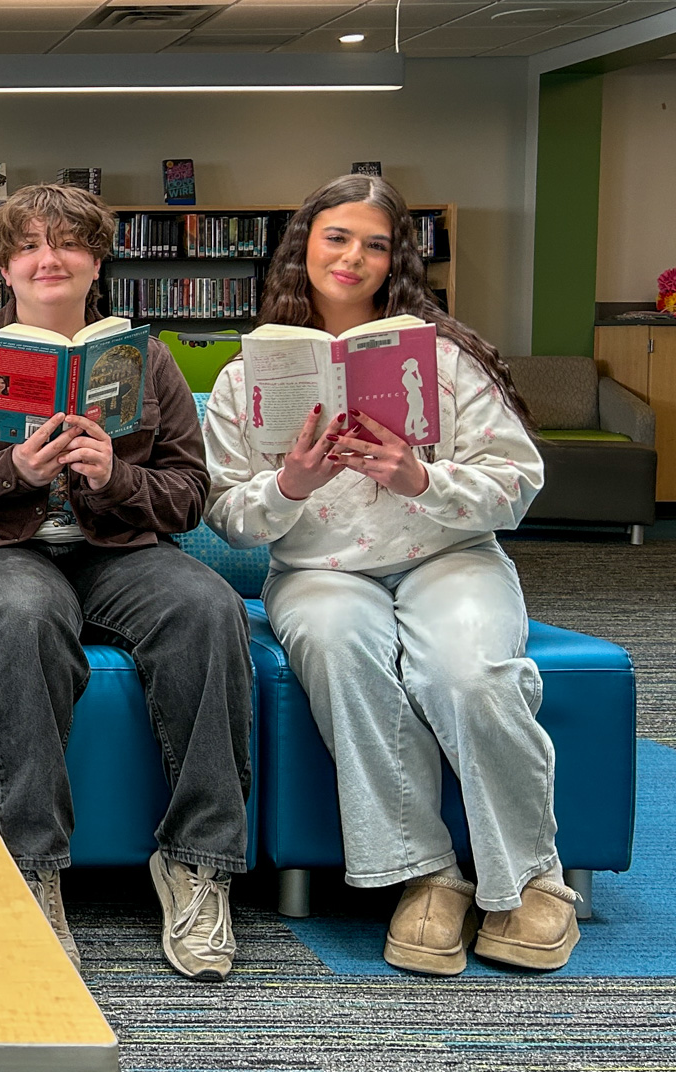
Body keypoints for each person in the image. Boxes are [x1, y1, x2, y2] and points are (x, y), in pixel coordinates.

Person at [0, 183, 253, 981]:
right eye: (29, 246)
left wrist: (116, 476)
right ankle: (31, 869)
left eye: (68, 244)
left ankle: (198, 863)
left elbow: (188, 494)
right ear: (5, 265)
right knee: (26, 607)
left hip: (115, 549)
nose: (49, 259)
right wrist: (7, 468)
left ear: (96, 262)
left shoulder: (145, 358)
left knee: (208, 606)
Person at [203, 174, 564, 975]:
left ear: (395, 260)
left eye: (375, 244)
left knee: (470, 674)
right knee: (338, 649)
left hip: (448, 555)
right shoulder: (247, 376)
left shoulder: (445, 359)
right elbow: (227, 514)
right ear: (305, 248)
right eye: (337, 237)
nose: (354, 257)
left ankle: (530, 876)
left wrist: (420, 478)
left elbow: (519, 484)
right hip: (319, 571)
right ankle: (424, 875)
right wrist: (290, 484)